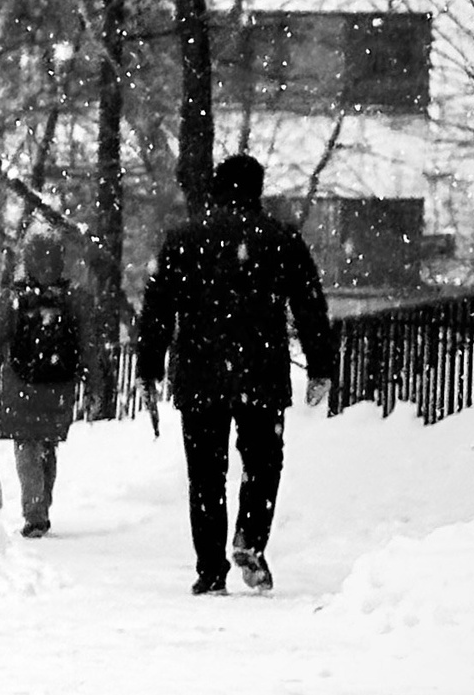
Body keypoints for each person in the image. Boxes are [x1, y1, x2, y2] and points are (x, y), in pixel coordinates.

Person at [136, 153, 336, 596]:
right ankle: (250, 537)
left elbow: (157, 310)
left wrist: (148, 368)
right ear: (256, 189)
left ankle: (210, 570)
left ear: (215, 188)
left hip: (199, 371)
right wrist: (321, 363)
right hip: (261, 369)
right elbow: (308, 304)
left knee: (205, 474)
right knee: (263, 462)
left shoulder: (185, 239)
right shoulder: (281, 239)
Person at [0, 229, 106, 539]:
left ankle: (34, 512)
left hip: (20, 386)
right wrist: (95, 386)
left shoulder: (12, 299)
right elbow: (89, 347)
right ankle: (42, 504)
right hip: (58, 388)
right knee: (47, 446)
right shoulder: (73, 300)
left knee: (25, 446)